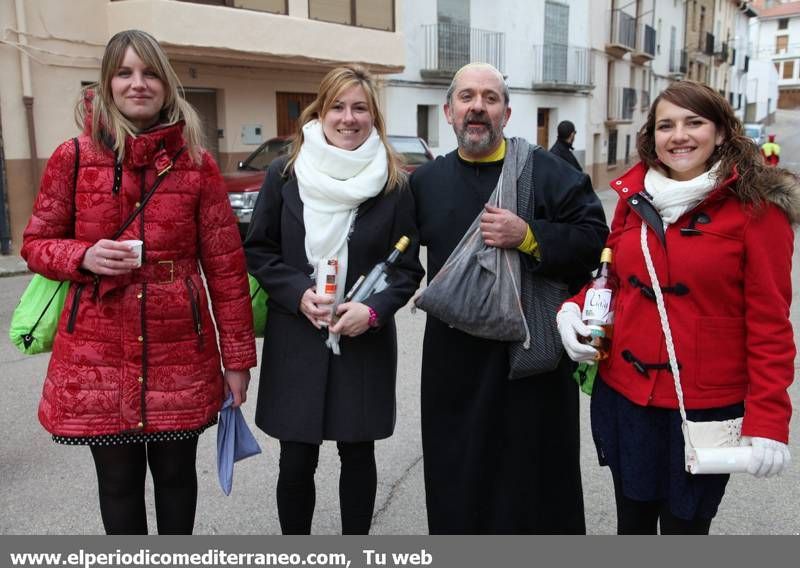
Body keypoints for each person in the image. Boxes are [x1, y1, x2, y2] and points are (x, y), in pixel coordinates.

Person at [20, 30, 256, 535]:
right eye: (125, 73)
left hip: (181, 349)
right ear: (107, 83)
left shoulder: (196, 164)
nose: (138, 84)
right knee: (118, 482)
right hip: (98, 350)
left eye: (149, 73)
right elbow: (36, 244)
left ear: (167, 85)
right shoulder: (73, 157)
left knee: (176, 477)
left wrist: (236, 359)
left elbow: (227, 269)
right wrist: (83, 254)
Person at [557, 80, 796, 534]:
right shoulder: (633, 200)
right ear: (653, 137)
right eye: (666, 125)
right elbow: (614, 279)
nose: (679, 135)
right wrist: (573, 307)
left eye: (694, 122)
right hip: (626, 396)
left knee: (687, 531)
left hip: (703, 406)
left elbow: (771, 327)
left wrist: (769, 420)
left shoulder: (758, 210)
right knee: (633, 524)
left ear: (722, 131)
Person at [410, 62, 608, 534]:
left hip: (529, 361)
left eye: (490, 98)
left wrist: (530, 235)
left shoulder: (546, 171)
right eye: (466, 97)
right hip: (453, 363)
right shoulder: (424, 183)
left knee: (533, 484)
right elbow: (391, 251)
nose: (477, 106)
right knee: (459, 479)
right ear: (448, 112)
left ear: (506, 112)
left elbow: (595, 238)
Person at [244, 65, 424, 535]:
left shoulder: (394, 183)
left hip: (361, 337)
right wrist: (297, 293)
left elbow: (406, 270)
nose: (349, 118)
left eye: (360, 107)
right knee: (296, 460)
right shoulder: (285, 175)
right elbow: (259, 250)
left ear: (374, 116)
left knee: (357, 455)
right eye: (338, 107)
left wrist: (374, 310)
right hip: (297, 336)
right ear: (320, 113)